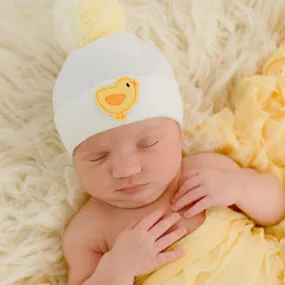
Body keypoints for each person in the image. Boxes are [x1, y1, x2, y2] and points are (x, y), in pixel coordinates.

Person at [53, 29, 285, 285]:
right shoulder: (88, 231)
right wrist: (118, 268)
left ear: (179, 137)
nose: (126, 169)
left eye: (147, 143)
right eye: (98, 157)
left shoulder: (204, 169)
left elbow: (276, 209)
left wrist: (240, 187)